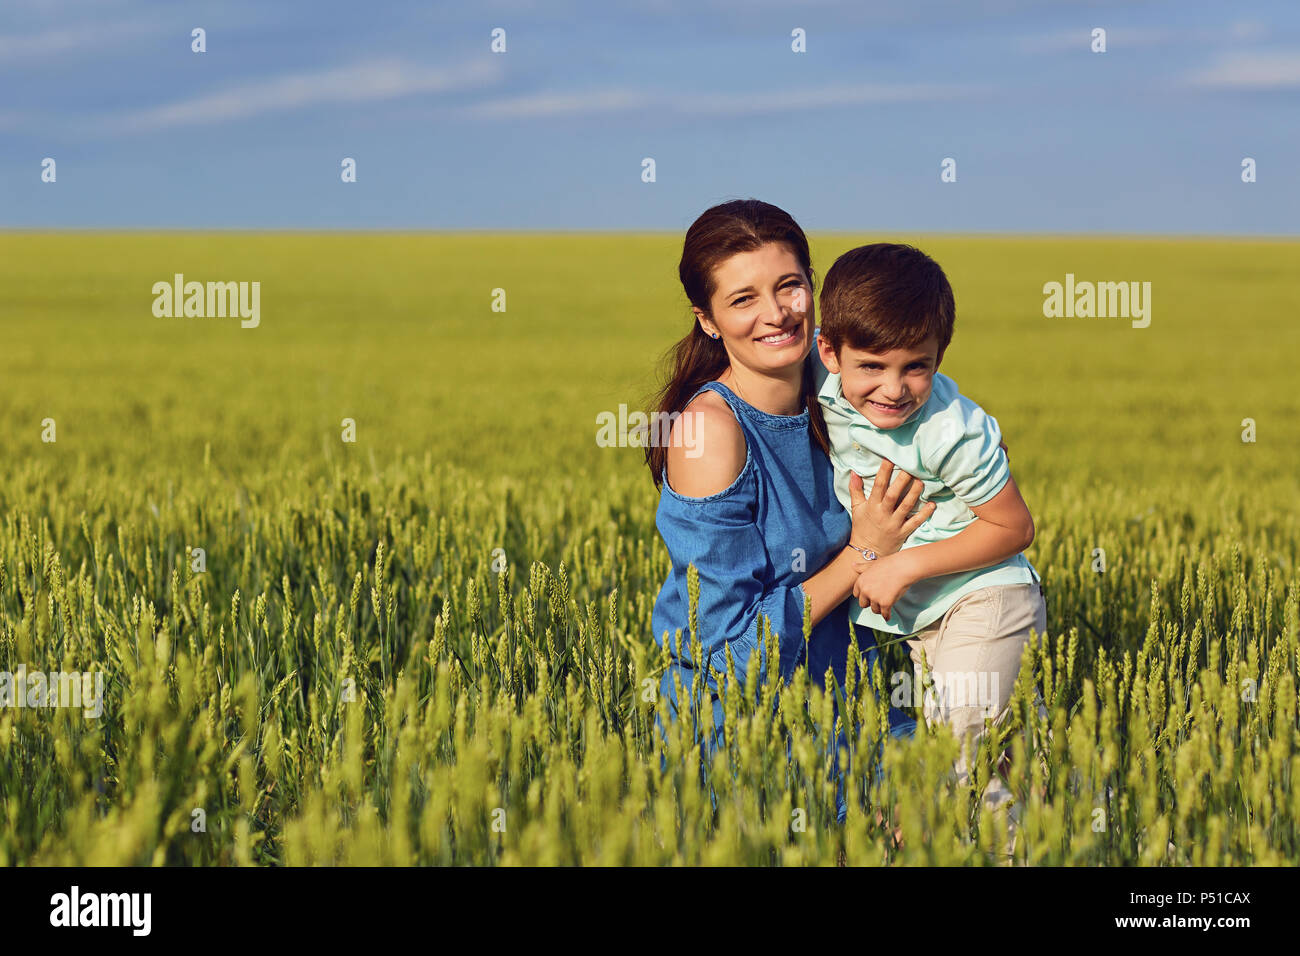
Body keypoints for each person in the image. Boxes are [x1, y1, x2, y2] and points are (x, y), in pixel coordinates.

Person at [644, 200, 925, 822]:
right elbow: (724, 657)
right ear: (708, 320)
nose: (776, 314)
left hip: (855, 707)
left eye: (789, 286)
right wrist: (863, 556)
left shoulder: (844, 399)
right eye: (743, 299)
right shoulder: (711, 434)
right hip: (747, 742)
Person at [814, 242, 1047, 812]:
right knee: (1022, 769)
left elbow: (1014, 527)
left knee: (956, 765)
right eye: (872, 366)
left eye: (916, 367)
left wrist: (903, 564)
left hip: (985, 602)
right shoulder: (822, 395)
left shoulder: (951, 431)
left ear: (939, 357)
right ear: (829, 353)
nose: (894, 389)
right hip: (928, 623)